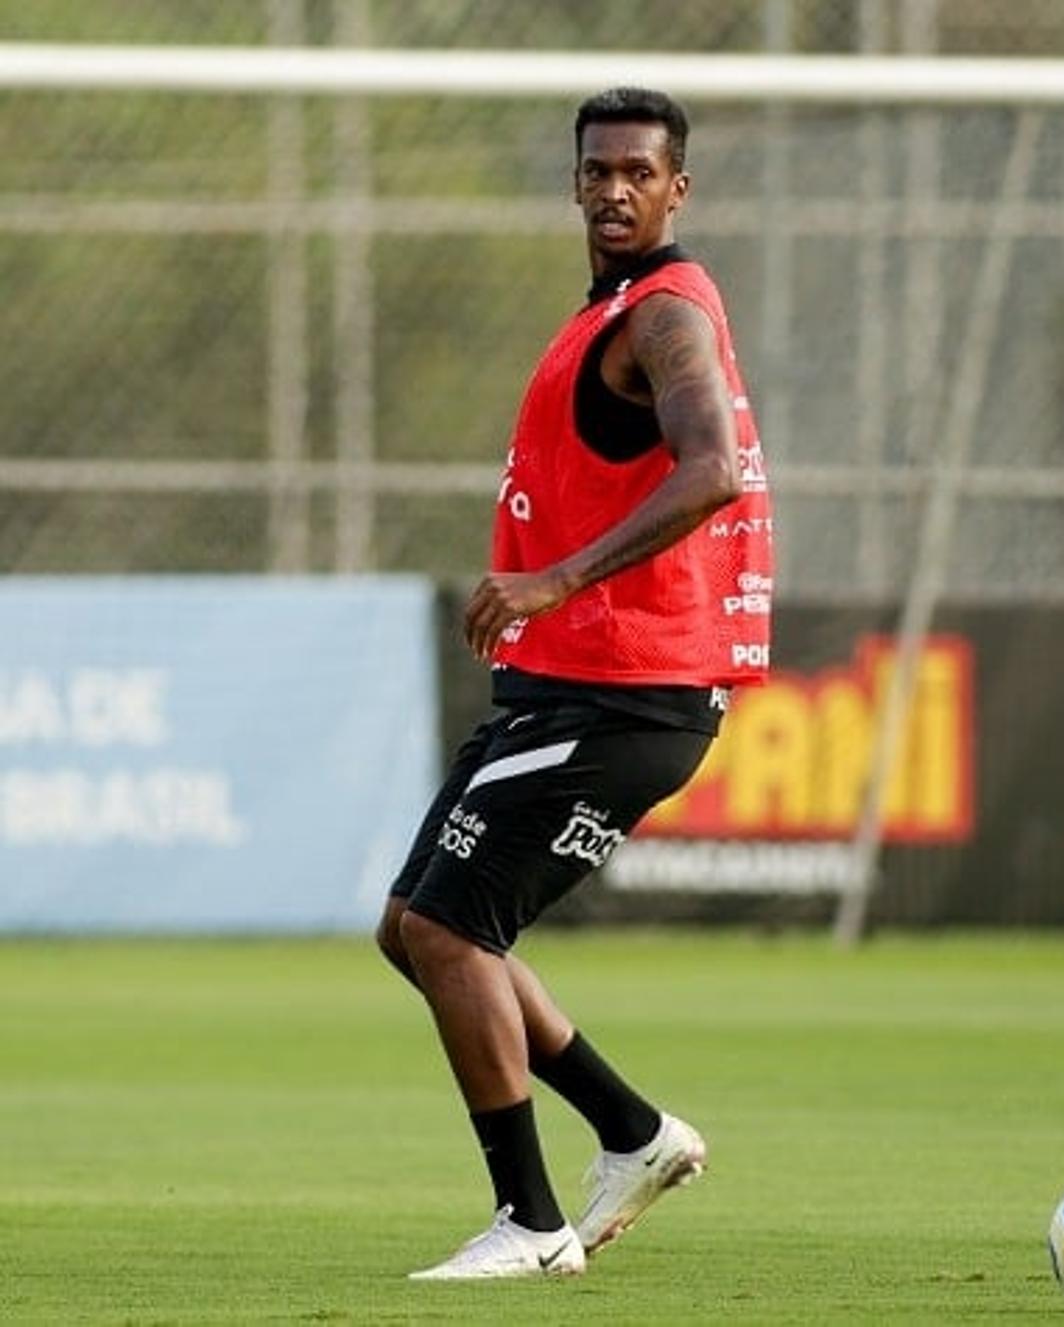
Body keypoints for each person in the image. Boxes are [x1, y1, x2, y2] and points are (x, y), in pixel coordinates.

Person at [375, 86, 774, 1281]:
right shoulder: (608, 311)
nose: (613, 189)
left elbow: (710, 473)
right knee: (414, 931)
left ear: (677, 190)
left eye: (638, 173)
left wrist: (555, 578)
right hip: (566, 687)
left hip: (629, 695)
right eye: (596, 170)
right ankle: (634, 1132)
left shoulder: (665, 317)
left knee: (451, 929)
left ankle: (533, 1224)